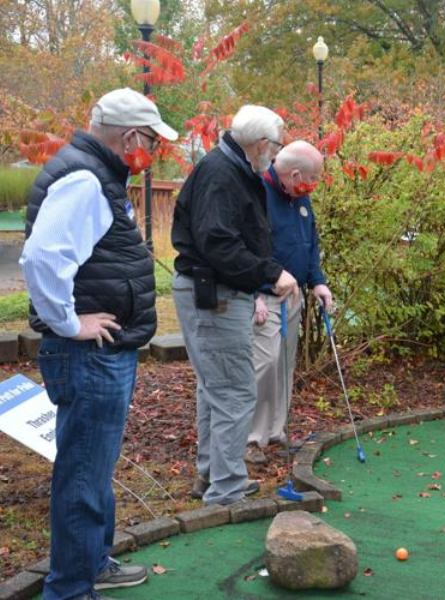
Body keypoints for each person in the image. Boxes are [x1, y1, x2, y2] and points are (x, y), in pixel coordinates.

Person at [20, 87, 178, 600]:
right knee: (84, 474)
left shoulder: (95, 173)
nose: (152, 150)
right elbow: (42, 259)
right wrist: (69, 324)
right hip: (89, 355)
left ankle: (93, 564)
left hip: (102, 354)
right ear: (130, 135)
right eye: (151, 140)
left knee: (93, 467)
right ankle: (69, 589)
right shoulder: (86, 179)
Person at [171, 105, 300, 505]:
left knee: (216, 389)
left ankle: (213, 475)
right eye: (276, 146)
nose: (276, 155)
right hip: (215, 296)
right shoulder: (222, 174)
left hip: (220, 293)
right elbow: (219, 242)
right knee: (233, 391)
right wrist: (270, 272)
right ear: (261, 143)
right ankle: (225, 490)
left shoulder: (233, 169)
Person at [245, 140, 332, 464]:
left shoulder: (299, 197)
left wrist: (318, 282)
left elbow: (310, 243)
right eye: (310, 179)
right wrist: (254, 293)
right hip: (264, 297)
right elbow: (247, 249)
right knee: (264, 365)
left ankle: (277, 433)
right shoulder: (258, 192)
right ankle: (252, 439)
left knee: (284, 364)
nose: (312, 187)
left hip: (292, 296)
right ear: (294, 174)